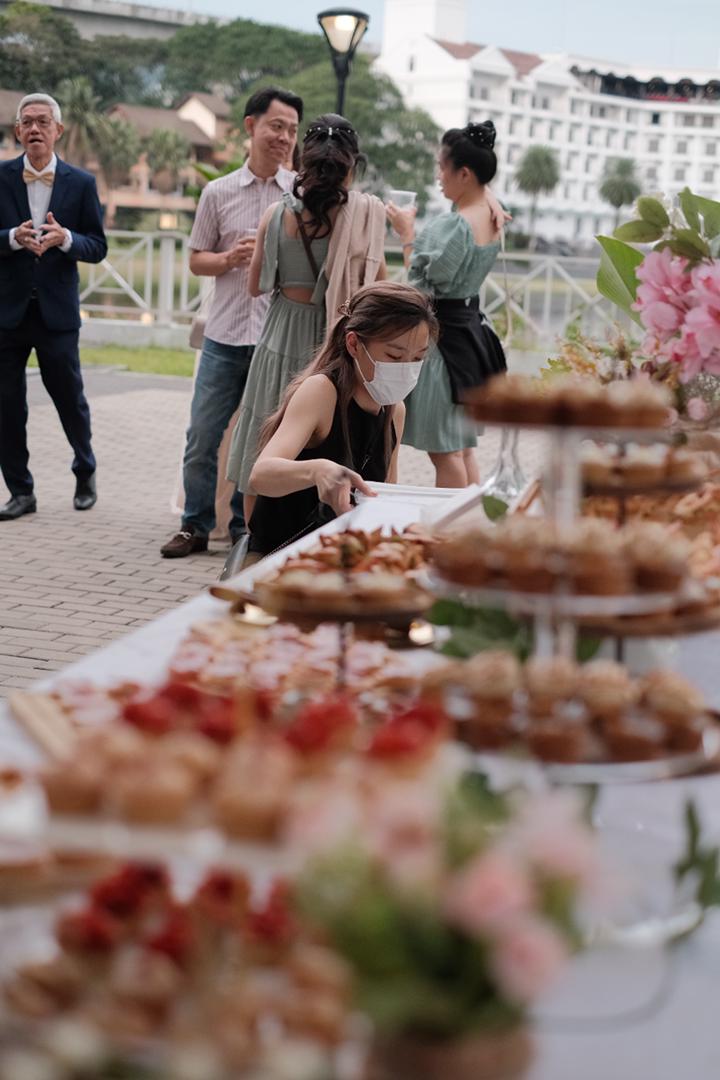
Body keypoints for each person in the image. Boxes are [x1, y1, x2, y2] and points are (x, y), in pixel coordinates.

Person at [160, 85, 303, 558]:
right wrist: (228, 259)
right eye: (276, 126)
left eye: (292, 130)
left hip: (273, 342)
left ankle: (246, 529)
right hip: (223, 337)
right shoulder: (217, 192)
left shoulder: (299, 199)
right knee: (202, 436)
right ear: (251, 127)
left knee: (260, 442)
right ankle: (194, 525)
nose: (284, 137)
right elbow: (197, 260)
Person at [226, 114, 386, 519]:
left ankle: (251, 543)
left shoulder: (276, 216)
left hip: (279, 339)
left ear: (304, 162)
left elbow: (257, 286)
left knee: (263, 445)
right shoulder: (366, 217)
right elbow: (376, 288)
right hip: (334, 342)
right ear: (351, 165)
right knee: (324, 439)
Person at [246, 280, 437, 560]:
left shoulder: (394, 410)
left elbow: (383, 496)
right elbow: (261, 475)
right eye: (394, 356)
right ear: (354, 344)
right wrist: (317, 471)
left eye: (417, 358)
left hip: (342, 559)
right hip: (281, 558)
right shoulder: (322, 391)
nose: (406, 369)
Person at [0, 92, 107, 521]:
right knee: (7, 407)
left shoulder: (80, 183)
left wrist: (66, 240)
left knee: (70, 399)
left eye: (43, 122)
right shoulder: (2, 176)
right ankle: (21, 492)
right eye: (27, 122)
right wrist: (11, 237)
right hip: (6, 314)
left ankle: (85, 469)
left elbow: (97, 246)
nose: (35, 129)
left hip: (57, 315)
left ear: (58, 131)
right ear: (17, 131)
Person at [386, 120, 508, 488]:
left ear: (464, 173)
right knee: (461, 448)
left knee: (445, 453)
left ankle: (448, 533)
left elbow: (420, 284)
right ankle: (470, 524)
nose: (439, 176)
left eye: (443, 167)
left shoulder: (454, 226)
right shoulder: (491, 215)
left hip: (443, 343)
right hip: (471, 337)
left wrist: (406, 235)